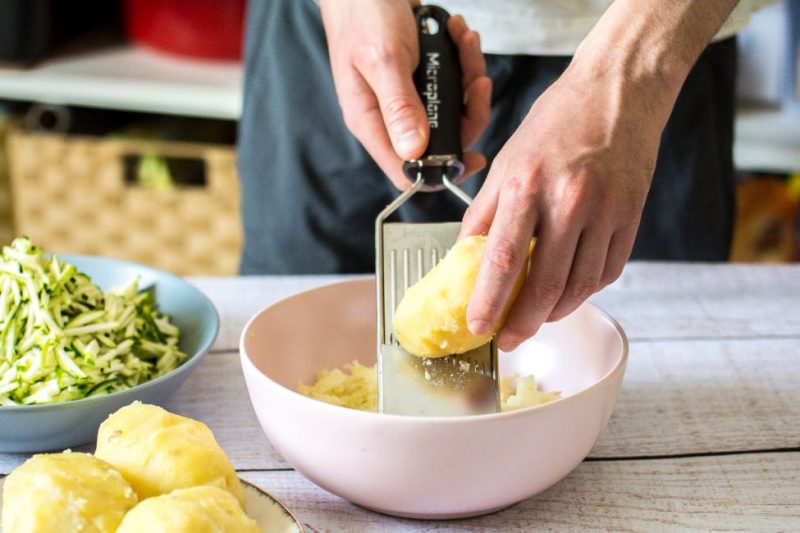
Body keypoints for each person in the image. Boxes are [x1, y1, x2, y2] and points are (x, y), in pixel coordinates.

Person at [238, 0, 760, 351]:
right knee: (291, 340)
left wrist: (628, 75)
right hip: (349, 32)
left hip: (650, 44)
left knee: (655, 344)